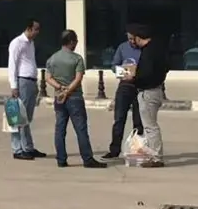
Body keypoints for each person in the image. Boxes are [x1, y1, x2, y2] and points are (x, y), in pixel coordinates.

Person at [45, 30, 107, 168]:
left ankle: (61, 159)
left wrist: (60, 88)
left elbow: (48, 78)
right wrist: (68, 90)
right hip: (75, 97)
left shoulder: (53, 58)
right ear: (71, 42)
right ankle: (87, 159)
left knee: (60, 129)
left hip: (59, 97)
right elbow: (78, 79)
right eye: (76, 41)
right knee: (81, 129)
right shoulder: (77, 59)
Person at [122, 23, 169, 168]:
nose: (131, 42)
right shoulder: (158, 48)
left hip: (148, 92)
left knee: (150, 126)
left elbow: (147, 74)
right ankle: (152, 155)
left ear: (138, 37)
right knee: (150, 125)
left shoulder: (148, 52)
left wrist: (133, 78)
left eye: (132, 38)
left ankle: (156, 157)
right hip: (156, 89)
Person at [7, 19, 46, 160]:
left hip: (31, 82)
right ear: (29, 28)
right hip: (22, 81)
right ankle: (17, 149)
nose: (37, 32)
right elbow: (12, 65)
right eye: (36, 29)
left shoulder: (31, 43)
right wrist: (14, 85)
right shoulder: (17, 43)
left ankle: (28, 147)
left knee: (27, 118)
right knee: (18, 117)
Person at [103, 31, 144, 159]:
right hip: (125, 86)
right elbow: (114, 66)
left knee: (138, 121)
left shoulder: (144, 48)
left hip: (140, 86)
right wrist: (125, 72)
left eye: (134, 39)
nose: (132, 41)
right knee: (119, 119)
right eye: (129, 39)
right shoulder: (122, 47)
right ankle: (114, 150)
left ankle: (137, 149)